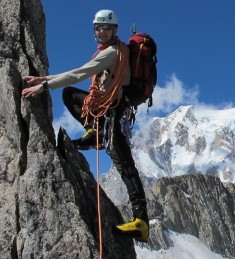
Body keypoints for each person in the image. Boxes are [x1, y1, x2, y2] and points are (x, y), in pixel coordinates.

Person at [21, 9, 149, 243]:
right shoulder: (116, 52)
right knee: (72, 96)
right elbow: (81, 71)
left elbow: (80, 73)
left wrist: (44, 86)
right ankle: (95, 132)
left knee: (126, 167)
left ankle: (141, 221)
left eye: (106, 28)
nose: (101, 31)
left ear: (114, 30)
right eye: (98, 28)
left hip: (113, 114)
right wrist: (44, 80)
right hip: (112, 113)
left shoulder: (110, 54)